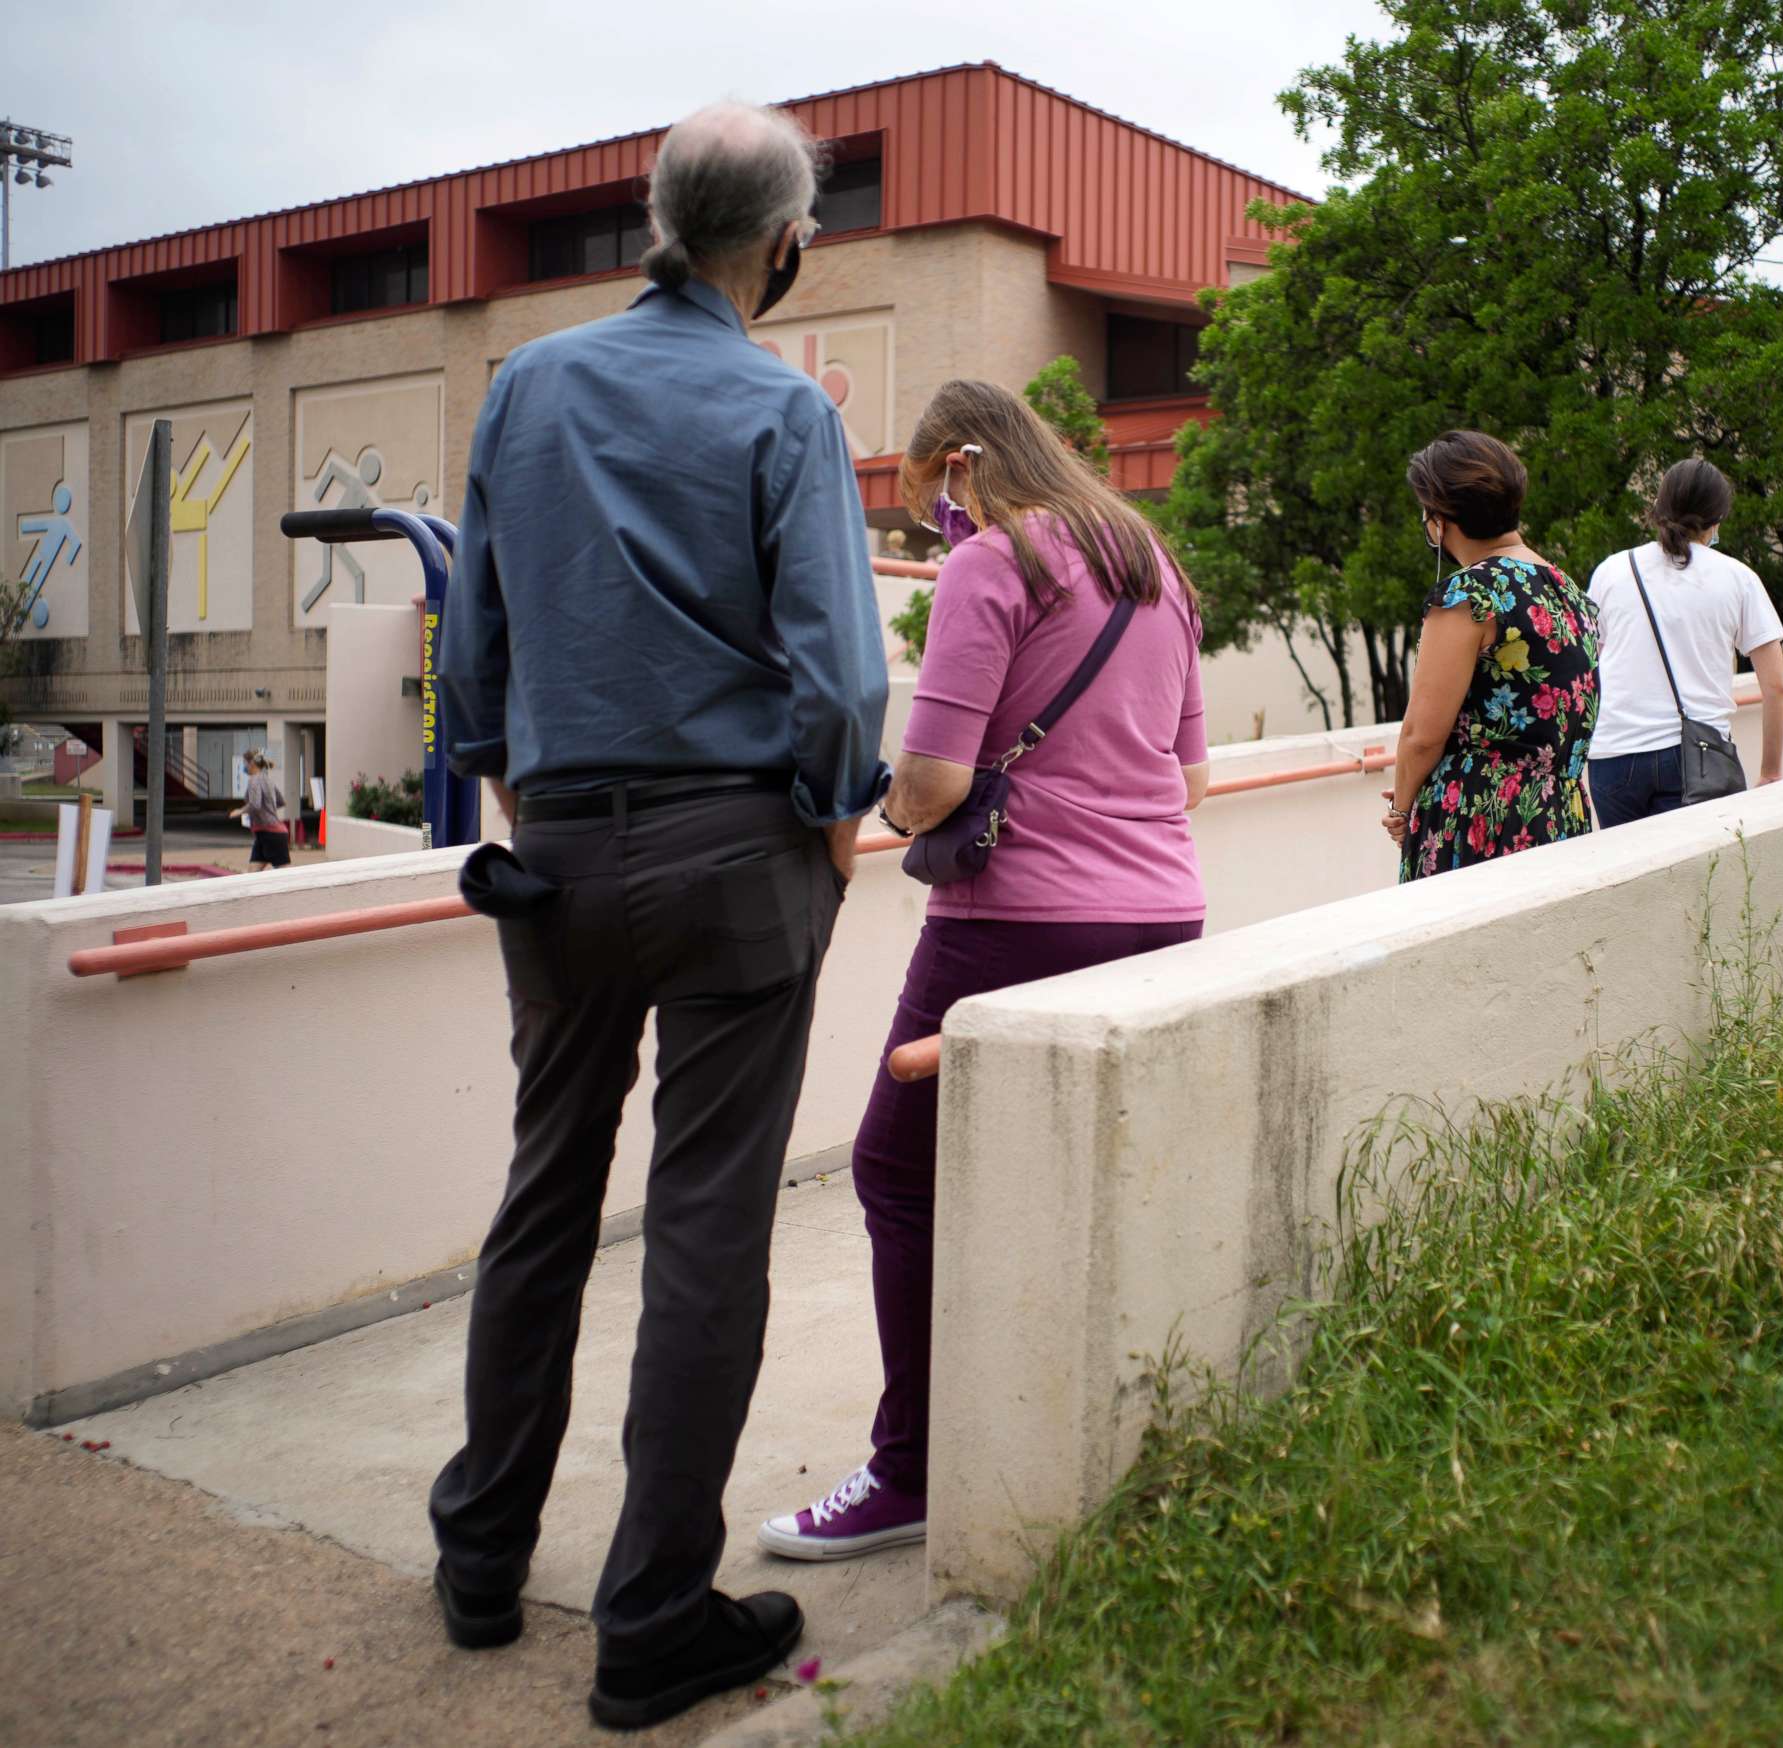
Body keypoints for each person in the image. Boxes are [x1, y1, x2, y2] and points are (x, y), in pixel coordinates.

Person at [428, 101, 891, 1733]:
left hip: (554, 847)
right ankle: (650, 1615)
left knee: (545, 1191)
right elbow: (841, 675)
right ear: (784, 242)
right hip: (734, 849)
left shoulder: (528, 385)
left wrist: (503, 775)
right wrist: (838, 817)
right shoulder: (783, 407)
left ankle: (481, 1557)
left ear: (649, 216)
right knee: (705, 1222)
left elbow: (470, 623)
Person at [759, 379, 1210, 1563]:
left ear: (961, 464)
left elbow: (940, 781)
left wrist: (892, 807)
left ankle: (908, 1472)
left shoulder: (994, 562)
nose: (936, 538)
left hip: (1015, 919)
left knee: (896, 1171)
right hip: (1163, 912)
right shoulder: (1154, 564)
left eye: (930, 509)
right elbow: (1191, 776)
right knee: (1072, 1176)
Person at [1383, 430, 1599, 876]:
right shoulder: (1568, 590)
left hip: (1481, 817)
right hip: (1558, 815)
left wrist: (1401, 810)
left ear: (1440, 518)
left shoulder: (1469, 594)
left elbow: (1422, 734)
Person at [1583, 457, 1783, 826]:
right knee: (1703, 879)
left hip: (1613, 754)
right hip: (1695, 756)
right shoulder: (1737, 578)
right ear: (1717, 519)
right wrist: (1770, 770)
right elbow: (1775, 686)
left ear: (1659, 507)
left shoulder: (1612, 570)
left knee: (1630, 878)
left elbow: (1589, 666)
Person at [228, 750, 293, 870]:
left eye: (244, 763)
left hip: (271, 833)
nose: (243, 766)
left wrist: (240, 811)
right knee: (253, 871)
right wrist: (267, 810)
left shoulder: (254, 781)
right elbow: (281, 802)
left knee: (285, 873)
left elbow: (255, 805)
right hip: (264, 833)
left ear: (251, 764)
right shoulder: (267, 779)